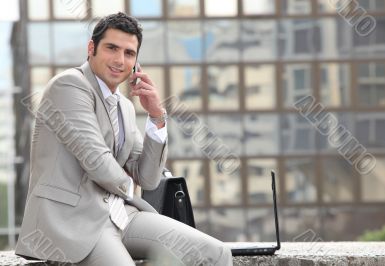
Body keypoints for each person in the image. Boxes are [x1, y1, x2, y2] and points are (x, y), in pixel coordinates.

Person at [15, 12, 233, 266]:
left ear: (136, 63)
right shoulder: (68, 86)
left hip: (123, 216)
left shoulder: (125, 106)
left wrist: (156, 116)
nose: (120, 60)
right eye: (111, 48)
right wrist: (129, 188)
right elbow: (96, 160)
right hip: (74, 220)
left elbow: (149, 178)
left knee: (216, 253)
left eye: (129, 53)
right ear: (91, 48)